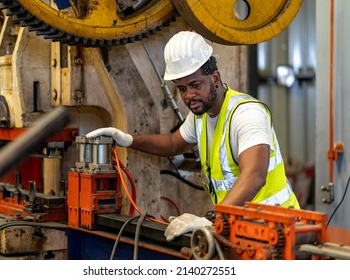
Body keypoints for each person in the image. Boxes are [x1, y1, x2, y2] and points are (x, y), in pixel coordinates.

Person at [86, 31, 300, 241]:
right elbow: (172, 144)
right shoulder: (201, 116)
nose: (189, 96)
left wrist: (211, 219)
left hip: (280, 231)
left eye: (195, 85)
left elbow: (254, 176)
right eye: (182, 89)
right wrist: (127, 139)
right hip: (241, 228)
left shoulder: (247, 114)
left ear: (215, 78)